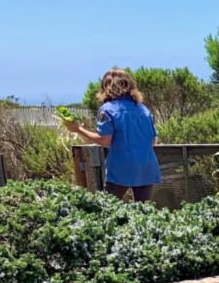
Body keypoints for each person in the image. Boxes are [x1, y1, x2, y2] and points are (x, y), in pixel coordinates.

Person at [66, 68, 162, 202]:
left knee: (108, 208)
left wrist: (78, 130)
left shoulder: (107, 110)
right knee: (143, 212)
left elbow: (104, 141)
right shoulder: (143, 109)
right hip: (146, 167)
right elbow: (152, 141)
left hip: (120, 168)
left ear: (106, 87)